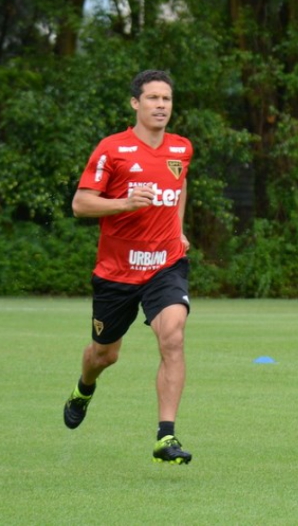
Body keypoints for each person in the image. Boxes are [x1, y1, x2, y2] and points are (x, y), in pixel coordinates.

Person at [63, 69, 194, 464]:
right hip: (117, 272)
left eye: (166, 99)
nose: (160, 106)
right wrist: (124, 203)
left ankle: (165, 437)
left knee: (172, 335)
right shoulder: (111, 150)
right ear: (135, 103)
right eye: (152, 98)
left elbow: (180, 184)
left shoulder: (181, 148)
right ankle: (84, 387)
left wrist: (180, 228)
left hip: (166, 263)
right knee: (104, 356)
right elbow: (80, 203)